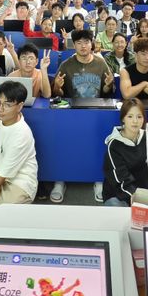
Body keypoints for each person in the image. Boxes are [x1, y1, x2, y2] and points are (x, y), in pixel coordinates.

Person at [51, 29, 114, 203]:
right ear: (74, 45)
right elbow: (58, 94)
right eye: (79, 43)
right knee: (63, 143)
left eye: (86, 42)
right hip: (72, 113)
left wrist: (108, 85)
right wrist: (57, 87)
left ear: (91, 43)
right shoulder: (66, 65)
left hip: (96, 112)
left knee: (100, 144)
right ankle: (60, 179)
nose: (83, 46)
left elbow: (107, 93)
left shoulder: (101, 64)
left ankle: (98, 179)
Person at [102, 98, 148, 206]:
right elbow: (120, 181)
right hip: (118, 194)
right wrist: (139, 198)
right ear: (123, 118)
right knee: (117, 209)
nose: (135, 121)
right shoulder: (114, 145)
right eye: (130, 116)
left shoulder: (147, 137)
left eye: (139, 117)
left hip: (142, 191)